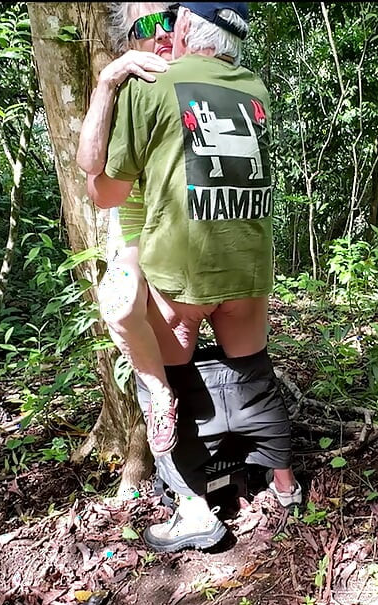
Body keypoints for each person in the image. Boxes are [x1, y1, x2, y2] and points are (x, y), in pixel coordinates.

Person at [85, 1, 302, 552]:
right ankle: (286, 486)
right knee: (255, 373)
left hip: (180, 275)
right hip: (248, 266)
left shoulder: (148, 87)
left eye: (166, 23)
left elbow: (106, 192)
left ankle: (195, 511)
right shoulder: (256, 89)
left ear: (182, 28)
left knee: (169, 386)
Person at [76, 3, 179, 456]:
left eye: (169, 23)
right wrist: (106, 82)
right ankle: (160, 394)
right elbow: (90, 168)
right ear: (129, 41)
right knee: (118, 306)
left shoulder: (200, 79)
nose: (161, 34)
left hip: (195, 233)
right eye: (147, 26)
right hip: (139, 236)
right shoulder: (125, 91)